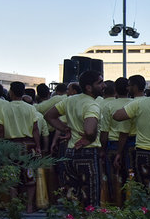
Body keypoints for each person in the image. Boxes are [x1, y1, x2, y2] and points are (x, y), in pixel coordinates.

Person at [45, 70, 105, 207]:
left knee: (74, 197)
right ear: (89, 87)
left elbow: (49, 116)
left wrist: (66, 129)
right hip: (87, 153)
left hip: (70, 153)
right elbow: (89, 130)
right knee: (91, 199)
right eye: (100, 83)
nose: (104, 85)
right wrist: (90, 137)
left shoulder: (70, 100)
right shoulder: (92, 105)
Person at [0, 81, 42, 213]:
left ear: (11, 92)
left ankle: (15, 206)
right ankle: (29, 206)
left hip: (10, 146)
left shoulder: (4, 108)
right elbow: (35, 130)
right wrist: (38, 146)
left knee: (11, 177)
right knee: (30, 176)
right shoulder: (31, 108)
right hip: (28, 145)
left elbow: (0, 130)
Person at [99, 77, 132, 204]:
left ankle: (116, 204)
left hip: (112, 144)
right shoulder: (134, 103)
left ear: (115, 91)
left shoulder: (108, 106)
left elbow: (104, 131)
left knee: (114, 177)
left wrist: (102, 149)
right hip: (133, 143)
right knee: (131, 176)